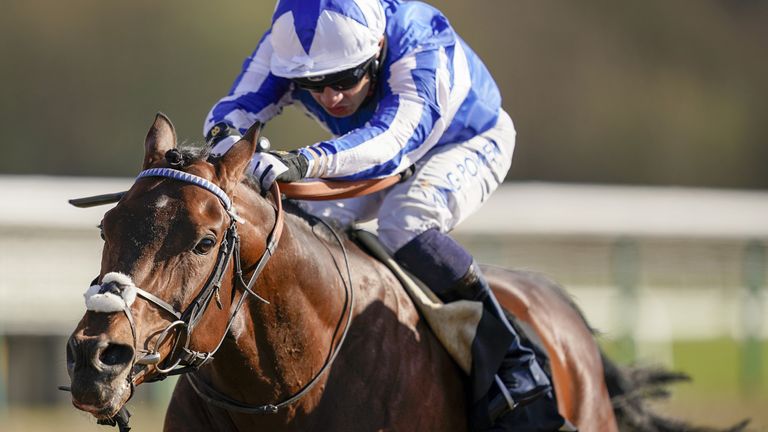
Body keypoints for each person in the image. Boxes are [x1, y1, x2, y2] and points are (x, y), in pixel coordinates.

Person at [204, 1, 565, 430]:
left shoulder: (422, 44)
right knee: (293, 222)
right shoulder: (289, 43)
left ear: (377, 47)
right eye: (310, 83)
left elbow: (391, 144)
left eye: (343, 78)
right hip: (373, 151)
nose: (329, 97)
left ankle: (514, 364)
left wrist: (302, 161)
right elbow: (229, 113)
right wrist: (231, 145)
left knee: (405, 221)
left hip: (463, 142)